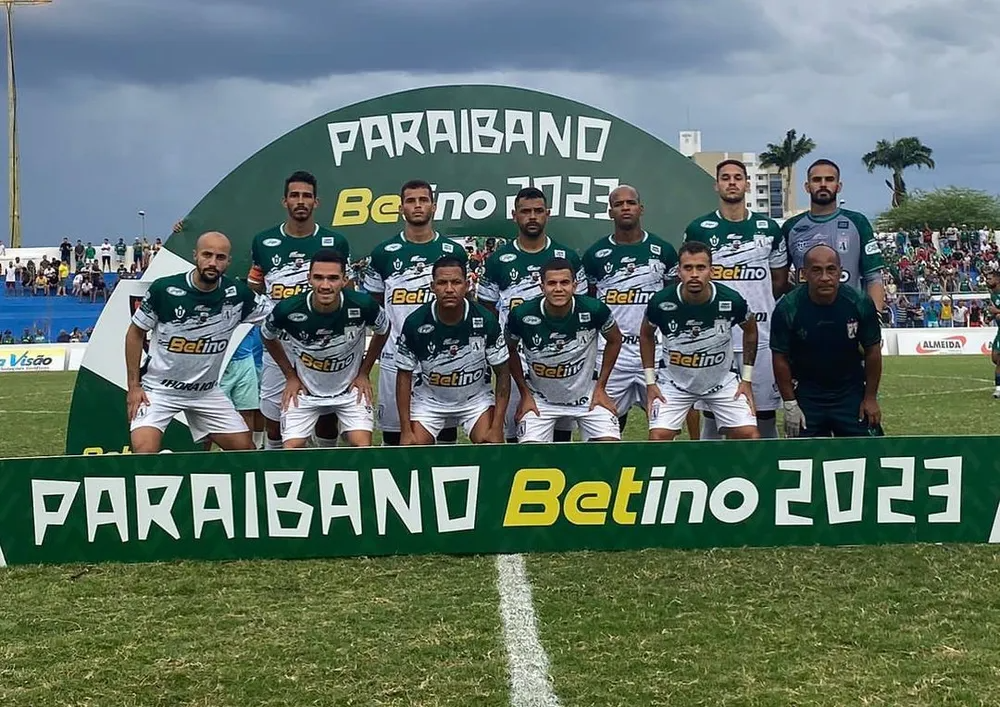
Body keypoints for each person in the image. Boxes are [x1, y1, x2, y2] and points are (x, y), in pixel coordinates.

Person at [124, 231, 270, 453]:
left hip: (206, 392)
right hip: (159, 391)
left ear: (228, 261)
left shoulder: (238, 294)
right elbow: (135, 333)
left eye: (220, 257)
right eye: (207, 255)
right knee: (144, 453)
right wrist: (133, 386)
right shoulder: (164, 290)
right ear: (195, 256)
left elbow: (277, 318)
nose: (212, 263)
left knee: (246, 453)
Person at [581, 184, 699, 438]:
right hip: (612, 353)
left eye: (631, 203)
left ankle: (662, 475)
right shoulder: (595, 255)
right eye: (618, 204)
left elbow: (673, 301)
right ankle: (609, 476)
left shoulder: (663, 250)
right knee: (603, 427)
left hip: (653, 351)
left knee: (664, 428)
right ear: (610, 212)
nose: (625, 208)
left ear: (640, 209)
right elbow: (590, 304)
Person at [246, 170, 351, 449]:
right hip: (279, 343)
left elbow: (347, 292)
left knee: (326, 415)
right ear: (285, 201)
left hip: (323, 344)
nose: (300, 201)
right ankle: (276, 468)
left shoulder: (335, 242)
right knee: (275, 413)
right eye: (295, 195)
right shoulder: (263, 242)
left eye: (307, 196)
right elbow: (255, 286)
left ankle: (326, 467)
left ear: (317, 202)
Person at [683, 160, 787, 439]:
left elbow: (778, 281)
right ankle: (710, 475)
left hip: (761, 336)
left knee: (764, 412)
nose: (732, 182)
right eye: (725, 177)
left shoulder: (769, 228)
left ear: (747, 184)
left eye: (738, 177)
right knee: (712, 412)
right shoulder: (699, 229)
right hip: (714, 337)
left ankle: (767, 470)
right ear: (716, 185)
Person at [363, 179, 469, 446]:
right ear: (401, 208)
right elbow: (377, 303)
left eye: (423, 200)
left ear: (433, 206)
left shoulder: (453, 251)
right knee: (395, 433)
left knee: (444, 431)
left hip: (442, 355)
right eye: (411, 201)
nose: (417, 206)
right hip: (395, 357)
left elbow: (460, 302)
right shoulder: (383, 253)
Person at [478, 186, 584, 443]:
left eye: (538, 211)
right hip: (514, 359)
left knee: (561, 431)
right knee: (515, 430)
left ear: (547, 214)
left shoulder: (566, 256)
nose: (532, 216)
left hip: (557, 358)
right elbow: (487, 310)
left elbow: (579, 305)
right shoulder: (498, 260)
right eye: (526, 211)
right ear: (515, 215)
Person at [261, 249, 389, 448]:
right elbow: (267, 335)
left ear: (344, 279)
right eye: (319, 278)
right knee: (291, 450)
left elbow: (384, 329)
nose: (325, 285)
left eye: (333, 278)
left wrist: (364, 372)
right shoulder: (288, 309)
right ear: (308, 279)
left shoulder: (363, 305)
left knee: (363, 448)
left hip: (349, 392)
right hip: (305, 393)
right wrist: (291, 376)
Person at [640, 241, 760, 441]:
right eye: (688, 268)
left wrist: (746, 379)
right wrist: (650, 382)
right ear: (679, 272)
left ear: (711, 271)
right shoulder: (660, 302)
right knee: (658, 438)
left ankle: (733, 472)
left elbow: (751, 330)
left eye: (700, 268)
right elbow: (645, 335)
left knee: (750, 435)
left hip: (722, 382)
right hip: (673, 383)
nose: (694, 274)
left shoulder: (731, 300)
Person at [770, 244, 883, 437]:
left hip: (850, 392)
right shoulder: (788, 307)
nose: (824, 277)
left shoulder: (860, 302)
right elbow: (779, 357)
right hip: (807, 394)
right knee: (800, 457)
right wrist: (790, 404)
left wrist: (870, 397)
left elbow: (873, 351)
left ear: (840, 272)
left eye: (831, 269)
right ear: (804, 274)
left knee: (871, 453)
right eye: (816, 270)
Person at [506, 257, 623, 442]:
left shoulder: (595, 310)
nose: (558, 289)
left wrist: (601, 387)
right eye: (552, 283)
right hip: (540, 400)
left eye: (565, 283)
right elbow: (509, 349)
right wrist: (525, 393)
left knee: (610, 447)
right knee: (529, 454)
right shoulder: (521, 315)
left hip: (587, 397)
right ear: (541, 287)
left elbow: (615, 340)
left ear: (575, 286)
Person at [396, 255, 509, 445]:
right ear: (432, 287)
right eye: (442, 283)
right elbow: (404, 376)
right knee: (412, 450)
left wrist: (497, 427)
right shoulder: (415, 322)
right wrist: (406, 430)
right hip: (430, 400)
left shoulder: (486, 320)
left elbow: (503, 373)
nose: (449, 289)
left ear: (466, 285)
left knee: (491, 446)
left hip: (475, 399)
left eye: (456, 282)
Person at [781, 159, 886, 312]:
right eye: (816, 180)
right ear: (807, 187)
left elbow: (873, 278)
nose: (823, 184)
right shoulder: (791, 227)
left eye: (829, 179)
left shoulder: (858, 222)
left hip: (849, 318)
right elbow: (779, 279)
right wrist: (800, 296)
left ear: (839, 186)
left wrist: (874, 318)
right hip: (805, 321)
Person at [217, 325, 264, 449]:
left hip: (246, 361)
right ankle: (211, 454)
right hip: (218, 363)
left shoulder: (250, 309)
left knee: (247, 409)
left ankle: (253, 449)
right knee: (214, 412)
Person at [985, 269, 1000, 398]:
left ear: (997, 280)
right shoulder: (993, 295)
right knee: (995, 358)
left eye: (990, 279)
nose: (987, 280)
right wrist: (990, 317)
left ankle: (998, 389)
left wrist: (996, 311)